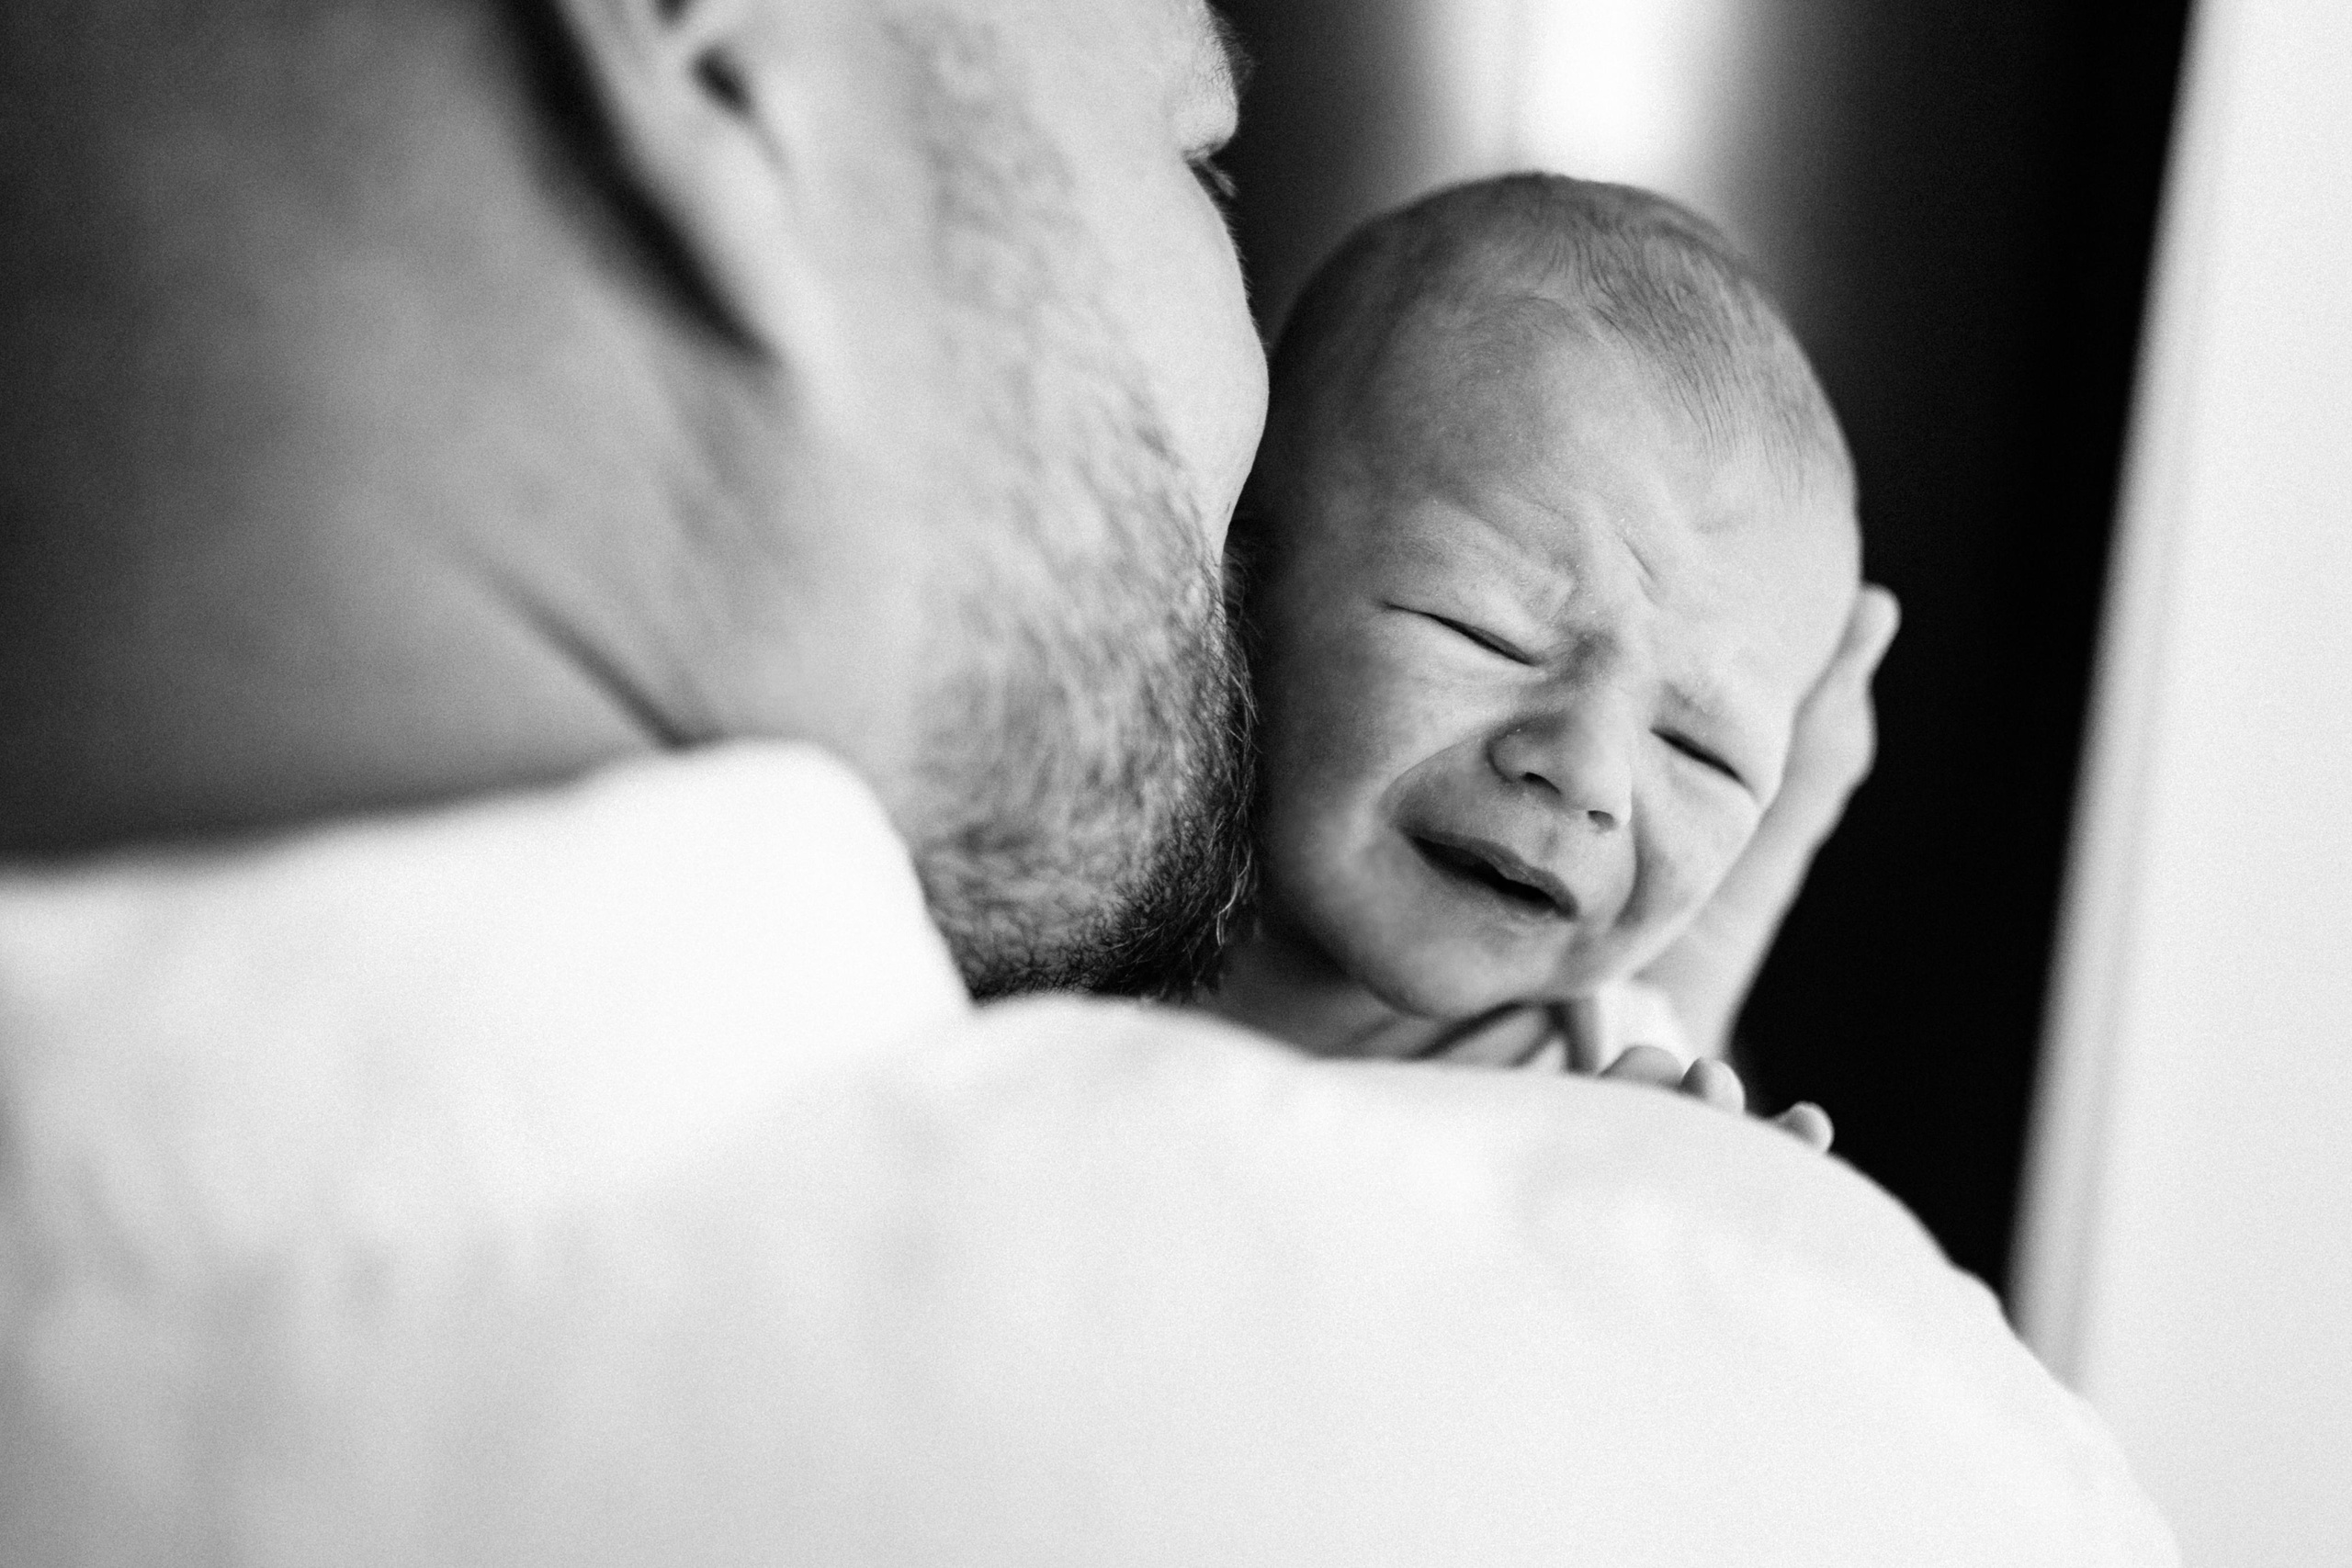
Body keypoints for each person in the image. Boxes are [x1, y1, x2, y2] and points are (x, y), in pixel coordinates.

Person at [0, 0, 2173, 1562]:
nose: (1591, 773)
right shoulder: (1740, 1381)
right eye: (1200, 161)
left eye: (1706, 742)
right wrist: (1698, 1271)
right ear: (715, 51)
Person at [1211, 175, 1896, 1154]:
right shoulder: (1061, 905)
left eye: (1702, 753)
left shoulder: (1620, 1101)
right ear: (1235, 570)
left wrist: (1693, 1208)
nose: (1588, 773)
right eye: (1486, 634)